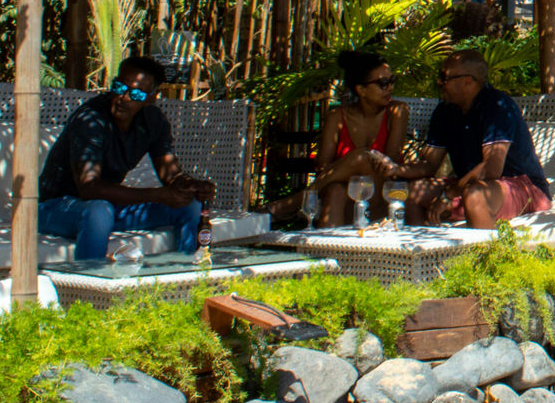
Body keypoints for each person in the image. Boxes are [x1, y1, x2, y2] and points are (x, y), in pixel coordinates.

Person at [36, 56, 217, 261]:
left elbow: (171, 175)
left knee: (189, 205)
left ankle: (188, 273)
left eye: (137, 94)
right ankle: (90, 285)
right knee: (98, 210)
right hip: (55, 208)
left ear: (151, 97)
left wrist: (192, 186)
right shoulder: (90, 119)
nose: (124, 97)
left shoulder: (152, 121)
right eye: (119, 87)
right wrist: (157, 195)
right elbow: (90, 188)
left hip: (107, 208)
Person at [395, 50, 550, 227]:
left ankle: (485, 254)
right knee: (412, 192)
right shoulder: (445, 111)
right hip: (470, 186)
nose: (439, 82)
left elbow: (491, 169)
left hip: (523, 186)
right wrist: (396, 170)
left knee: (476, 195)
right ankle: (423, 253)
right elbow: (429, 163)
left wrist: (448, 196)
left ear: (467, 81)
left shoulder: (498, 105)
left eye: (444, 77)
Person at [262, 50, 409, 226]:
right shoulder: (337, 117)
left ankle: (294, 203)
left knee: (363, 156)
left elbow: (388, 164)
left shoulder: (397, 112)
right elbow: (324, 167)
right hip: (344, 200)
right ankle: (326, 251)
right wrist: (351, 175)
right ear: (361, 89)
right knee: (335, 191)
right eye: (383, 83)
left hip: (382, 199)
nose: (390, 88)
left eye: (392, 81)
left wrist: (358, 165)